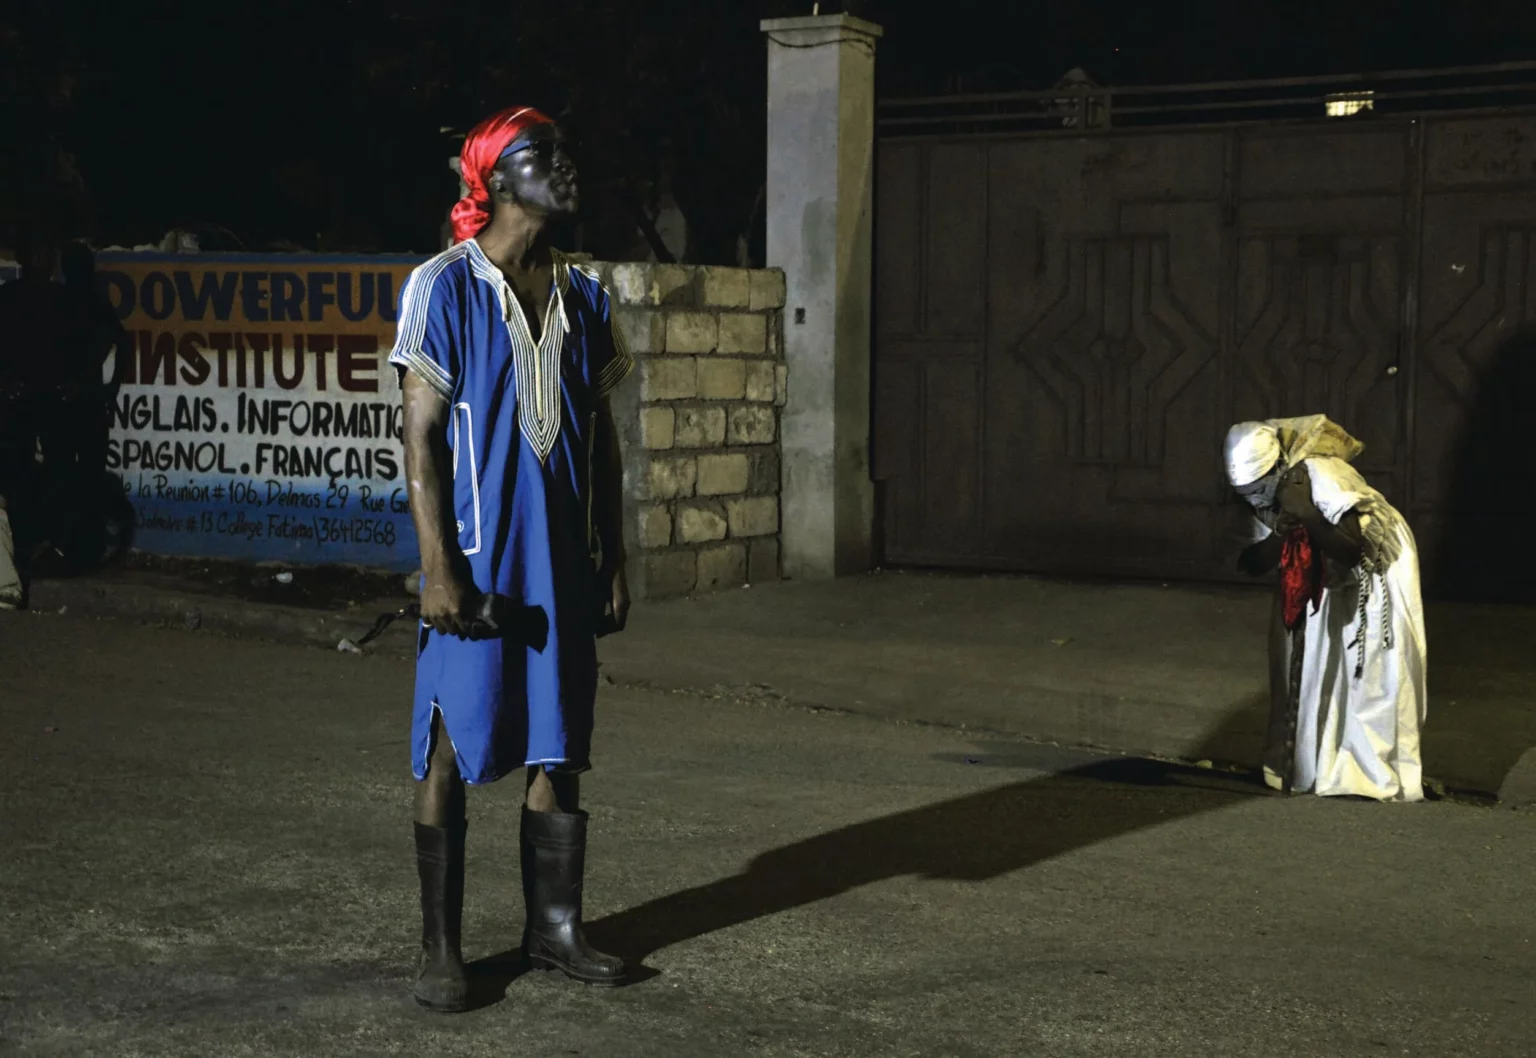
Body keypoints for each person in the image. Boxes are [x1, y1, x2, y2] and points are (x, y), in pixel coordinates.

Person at [389, 106, 634, 1012]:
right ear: (493, 179)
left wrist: (613, 552)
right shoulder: (443, 287)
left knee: (558, 742)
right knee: (450, 743)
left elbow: (602, 437)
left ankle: (555, 929)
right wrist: (438, 567)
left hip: (561, 558)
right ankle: (441, 947)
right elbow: (420, 439)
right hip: (481, 562)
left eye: (564, 151)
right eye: (543, 155)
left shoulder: (587, 294)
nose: (565, 167)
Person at [1224, 415, 1427, 802]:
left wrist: (1308, 512)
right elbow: (1249, 563)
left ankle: (1366, 769)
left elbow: (1350, 550)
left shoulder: (1318, 476)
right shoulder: (1253, 498)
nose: (1256, 497)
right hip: (1311, 577)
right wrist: (1282, 530)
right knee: (1309, 668)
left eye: (1261, 485)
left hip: (1372, 571)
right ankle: (1309, 763)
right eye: (1247, 491)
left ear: (1279, 467)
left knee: (1366, 669)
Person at [0, 233, 68, 603]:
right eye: (36, 253)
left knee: (53, 473)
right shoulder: (9, 299)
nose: (41, 261)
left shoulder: (60, 300)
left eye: (47, 254)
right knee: (18, 473)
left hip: (50, 399)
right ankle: (25, 545)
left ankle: (46, 545)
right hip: (18, 401)